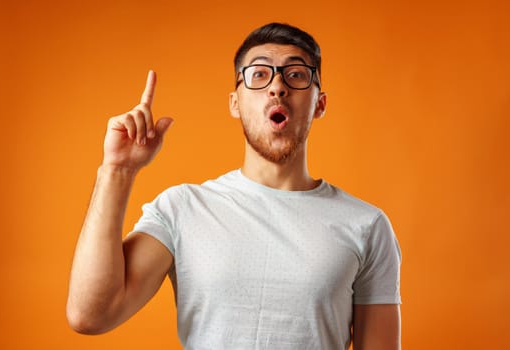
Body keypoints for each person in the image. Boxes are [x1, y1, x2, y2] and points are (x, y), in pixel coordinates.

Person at [67, 23, 402, 350]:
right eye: (259, 74)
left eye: (296, 74)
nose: (277, 87)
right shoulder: (182, 209)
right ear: (235, 103)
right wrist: (117, 170)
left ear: (319, 104)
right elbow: (91, 315)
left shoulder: (367, 225)